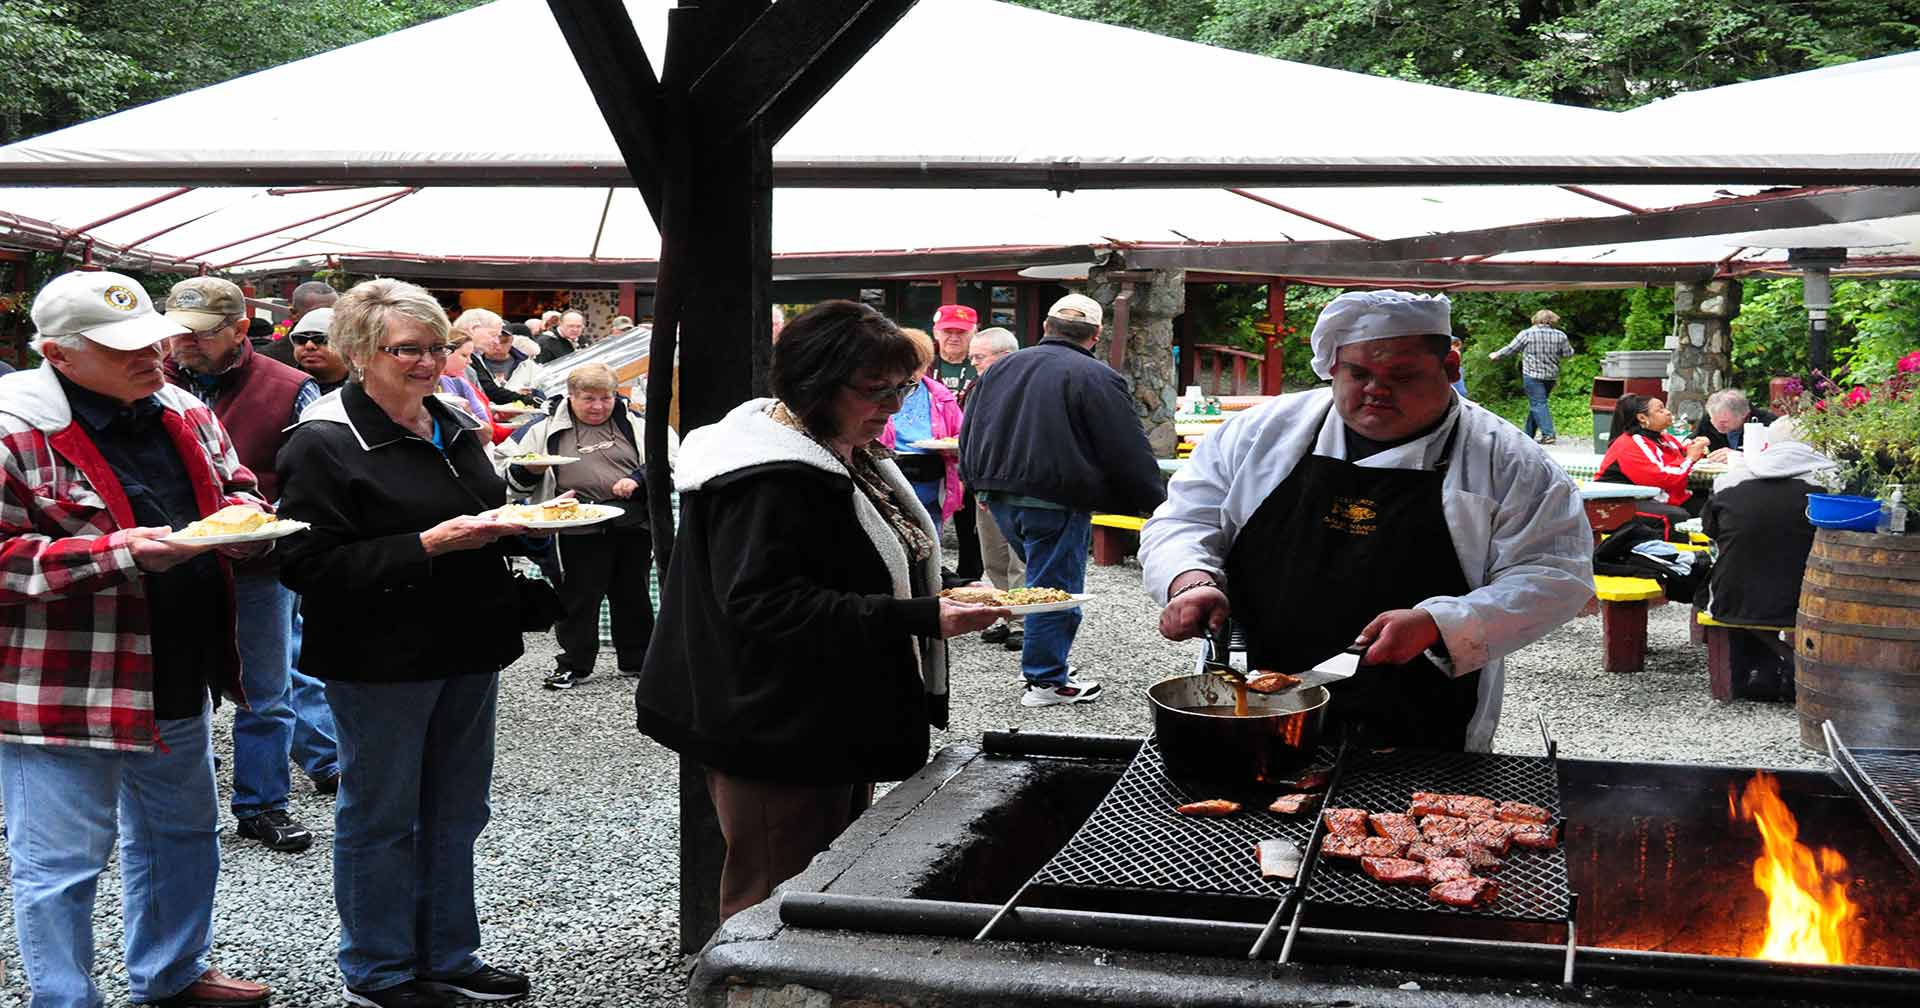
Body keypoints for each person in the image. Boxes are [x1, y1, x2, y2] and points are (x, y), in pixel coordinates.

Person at [635, 300, 1006, 921]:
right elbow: (766, 606)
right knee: (775, 898)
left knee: (824, 876)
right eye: (875, 391)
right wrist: (921, 616)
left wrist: (943, 590)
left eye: (903, 388)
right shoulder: (768, 477)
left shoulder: (832, 444)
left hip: (825, 712)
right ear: (815, 386)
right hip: (773, 722)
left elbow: (864, 556)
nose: (891, 408)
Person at [1143, 290, 1593, 752]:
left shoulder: (1509, 461)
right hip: (1251, 696)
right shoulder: (1261, 432)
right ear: (1333, 368)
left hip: (1424, 710)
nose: (1376, 389)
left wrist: (1439, 623)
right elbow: (1183, 519)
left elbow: (1554, 575)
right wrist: (1189, 581)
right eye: (1359, 373)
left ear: (1450, 367)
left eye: (1402, 375)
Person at [2, 269, 274, 1008]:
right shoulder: (11, 426)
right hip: (61, 685)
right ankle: (65, 999)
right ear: (58, 355)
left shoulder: (182, 406)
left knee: (183, 834)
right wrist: (121, 552)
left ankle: (174, 975)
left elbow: (234, 480)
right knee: (60, 863)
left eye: (152, 337)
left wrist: (248, 517)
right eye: (122, 346)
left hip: (177, 666)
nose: (149, 354)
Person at [276, 278, 532, 1008]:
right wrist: (425, 545)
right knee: (382, 815)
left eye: (436, 348)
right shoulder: (324, 441)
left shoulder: (452, 420)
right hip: (380, 656)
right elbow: (305, 565)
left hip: (469, 642)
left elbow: (482, 510)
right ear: (359, 354)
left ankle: (450, 954)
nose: (426, 364)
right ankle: (379, 972)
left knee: (457, 809)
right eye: (407, 351)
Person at [163, 275, 338, 854]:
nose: (183, 343)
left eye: (200, 334)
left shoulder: (291, 387)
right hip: (171, 562)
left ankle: (263, 805)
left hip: (258, 561)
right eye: (176, 332)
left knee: (266, 690)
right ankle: (189, 806)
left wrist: (267, 525)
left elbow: (310, 478)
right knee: (179, 689)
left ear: (241, 330)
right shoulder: (147, 381)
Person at [960, 293, 1166, 707]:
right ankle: (1046, 681)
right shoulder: (1096, 375)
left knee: (1040, 582)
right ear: (1095, 334)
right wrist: (1158, 502)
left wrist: (977, 483)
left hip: (999, 495)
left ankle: (1044, 670)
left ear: (1045, 327)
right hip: (1055, 498)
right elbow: (1125, 446)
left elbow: (970, 430)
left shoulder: (999, 370)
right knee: (1056, 590)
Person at [501, 364, 663, 689]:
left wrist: (637, 480)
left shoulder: (633, 423)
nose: (598, 406)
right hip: (573, 521)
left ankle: (638, 661)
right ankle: (574, 664)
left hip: (630, 521)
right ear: (571, 396)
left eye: (606, 398)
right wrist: (531, 472)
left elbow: (665, 460)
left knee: (632, 593)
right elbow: (509, 475)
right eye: (589, 399)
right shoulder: (544, 429)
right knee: (578, 597)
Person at [967, 326, 1026, 650]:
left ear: (1005, 356)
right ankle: (1007, 614)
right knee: (993, 557)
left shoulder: (1028, 388)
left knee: (1019, 558)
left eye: (979, 356)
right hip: (984, 484)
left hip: (1016, 484)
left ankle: (1022, 620)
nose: (973, 362)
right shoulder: (980, 386)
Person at [879, 327, 963, 533]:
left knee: (931, 535)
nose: (914, 373)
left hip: (931, 475)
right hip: (890, 471)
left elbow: (961, 434)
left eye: (920, 365)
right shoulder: (877, 392)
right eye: (908, 366)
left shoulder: (940, 394)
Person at [1597, 393, 1707, 539]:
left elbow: (1681, 454)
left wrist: (1698, 447)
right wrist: (1690, 458)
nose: (1668, 412)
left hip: (1653, 498)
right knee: (1676, 516)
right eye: (1660, 410)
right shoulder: (1630, 443)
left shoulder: (1664, 438)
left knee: (1710, 505)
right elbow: (1663, 477)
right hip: (1618, 502)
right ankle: (1679, 557)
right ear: (1642, 418)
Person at [931, 304, 984, 583]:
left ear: (973, 334)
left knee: (970, 524)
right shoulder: (925, 364)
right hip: (927, 458)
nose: (954, 337)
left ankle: (970, 578)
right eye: (948, 331)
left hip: (969, 456)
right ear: (936, 333)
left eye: (961, 333)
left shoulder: (980, 364)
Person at [1487, 308, 1573, 445]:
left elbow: (1511, 349)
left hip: (1532, 375)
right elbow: (1568, 354)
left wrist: (1496, 355)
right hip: (1551, 376)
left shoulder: (1527, 333)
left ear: (1536, 319)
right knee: (1538, 403)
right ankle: (1527, 435)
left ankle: (1548, 434)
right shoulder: (1560, 335)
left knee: (1538, 403)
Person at [461, 309, 542, 407]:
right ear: (474, 329)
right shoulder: (461, 357)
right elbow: (489, 392)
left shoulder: (477, 355)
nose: (496, 342)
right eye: (493, 335)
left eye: (502, 339)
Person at [262, 280, 339, 367]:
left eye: (334, 312)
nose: (328, 317)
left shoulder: (348, 351)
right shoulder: (268, 359)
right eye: (316, 312)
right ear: (294, 314)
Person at [1692, 387, 1777, 455]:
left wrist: (1737, 456)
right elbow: (1690, 440)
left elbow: (1772, 456)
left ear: (1743, 415)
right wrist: (1695, 443)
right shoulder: (1713, 417)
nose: (1717, 427)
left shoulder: (1767, 424)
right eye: (1713, 421)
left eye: (1724, 422)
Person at [290, 307, 351, 393]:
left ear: (347, 345)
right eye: (301, 339)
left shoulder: (368, 387)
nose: (309, 345)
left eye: (320, 339)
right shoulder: (284, 385)